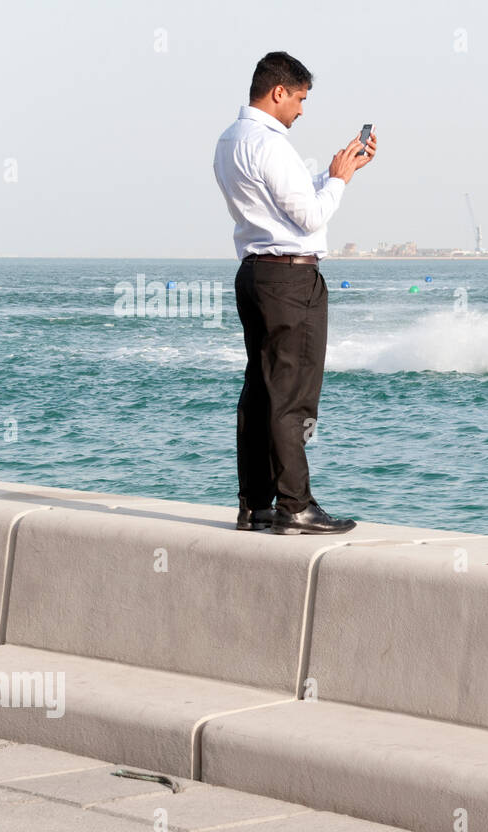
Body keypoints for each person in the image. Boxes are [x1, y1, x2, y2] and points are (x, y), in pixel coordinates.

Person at [213, 52, 376, 534]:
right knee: (292, 396)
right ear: (278, 92)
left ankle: (255, 505)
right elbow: (308, 217)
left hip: (255, 275)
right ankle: (296, 506)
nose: (302, 110)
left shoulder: (229, 140)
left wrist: (333, 173)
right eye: (301, 98)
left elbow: (284, 203)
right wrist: (342, 183)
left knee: (260, 392)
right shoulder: (272, 144)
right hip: (290, 280)